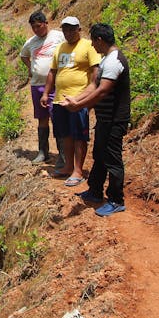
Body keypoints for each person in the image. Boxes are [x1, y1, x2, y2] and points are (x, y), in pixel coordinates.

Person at [59, 23, 130, 216]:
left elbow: (103, 91)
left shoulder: (115, 60)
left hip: (115, 120)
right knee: (99, 155)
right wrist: (77, 99)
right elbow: (93, 86)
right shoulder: (106, 59)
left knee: (112, 159)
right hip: (104, 118)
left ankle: (116, 199)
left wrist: (79, 107)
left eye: (93, 41)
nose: (92, 46)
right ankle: (95, 191)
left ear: (100, 40)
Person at [41, 16, 101, 187]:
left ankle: (78, 170)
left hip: (78, 99)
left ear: (79, 29)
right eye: (65, 29)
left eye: (71, 29)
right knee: (65, 135)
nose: (68, 32)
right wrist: (46, 93)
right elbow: (53, 71)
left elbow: (95, 71)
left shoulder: (88, 46)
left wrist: (88, 96)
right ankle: (68, 166)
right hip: (60, 100)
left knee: (79, 136)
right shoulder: (60, 48)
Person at [19, 10, 65, 165]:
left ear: (46, 23)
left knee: (58, 119)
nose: (37, 30)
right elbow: (23, 55)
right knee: (42, 118)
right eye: (34, 28)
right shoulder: (31, 42)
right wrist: (30, 67)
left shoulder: (58, 36)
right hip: (37, 85)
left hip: (56, 85)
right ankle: (43, 152)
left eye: (39, 26)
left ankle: (63, 155)